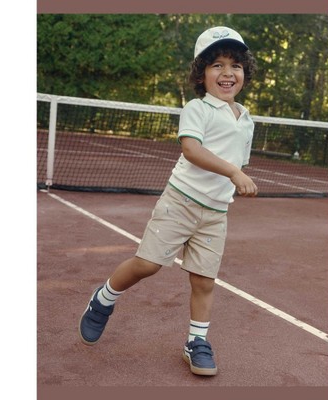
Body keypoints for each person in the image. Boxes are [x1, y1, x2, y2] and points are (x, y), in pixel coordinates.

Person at [79, 26, 258, 376]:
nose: (227, 73)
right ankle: (103, 299)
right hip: (180, 202)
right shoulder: (197, 108)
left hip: (215, 213)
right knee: (148, 265)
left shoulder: (247, 119)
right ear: (201, 73)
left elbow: (239, 159)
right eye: (217, 65)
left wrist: (236, 176)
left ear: (244, 73)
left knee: (204, 280)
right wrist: (234, 174)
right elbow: (192, 150)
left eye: (235, 65)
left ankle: (196, 342)